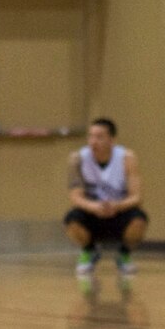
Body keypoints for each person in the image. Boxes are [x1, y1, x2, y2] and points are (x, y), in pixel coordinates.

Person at [63, 118, 144, 277]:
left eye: (99, 137)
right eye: (90, 136)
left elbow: (137, 197)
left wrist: (116, 206)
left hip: (119, 210)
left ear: (112, 140)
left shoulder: (127, 158)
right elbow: (75, 197)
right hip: (92, 211)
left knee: (139, 221)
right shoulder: (77, 158)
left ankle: (124, 254)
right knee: (72, 220)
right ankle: (89, 251)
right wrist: (94, 207)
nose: (93, 141)